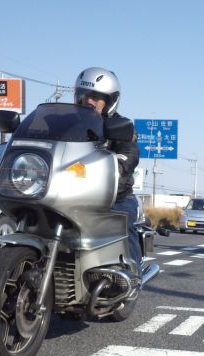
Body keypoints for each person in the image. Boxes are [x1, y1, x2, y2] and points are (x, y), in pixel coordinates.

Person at [74, 67, 142, 274]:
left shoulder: (120, 126)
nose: (89, 100)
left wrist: (118, 167)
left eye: (97, 97)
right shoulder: (66, 124)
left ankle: (132, 274)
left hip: (113, 196)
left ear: (110, 101)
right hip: (71, 192)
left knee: (124, 223)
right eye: (85, 95)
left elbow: (129, 153)